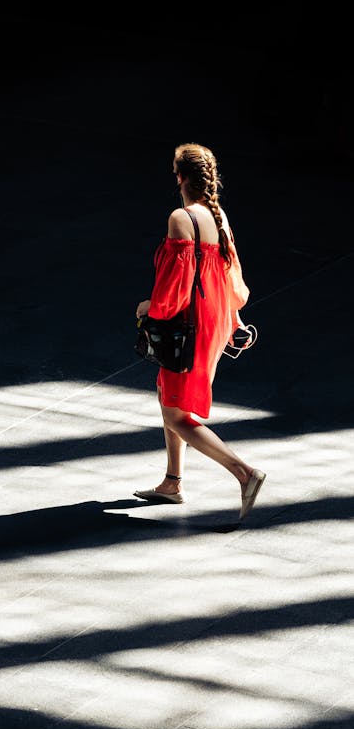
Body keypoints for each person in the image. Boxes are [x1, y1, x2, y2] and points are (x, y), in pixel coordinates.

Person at [134, 142, 266, 520]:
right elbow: (230, 275)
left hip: (187, 323)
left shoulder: (181, 218)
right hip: (212, 318)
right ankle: (172, 482)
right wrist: (232, 319)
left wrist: (151, 308)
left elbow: (175, 285)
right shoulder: (218, 215)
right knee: (167, 392)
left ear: (179, 176)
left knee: (178, 415)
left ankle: (245, 474)